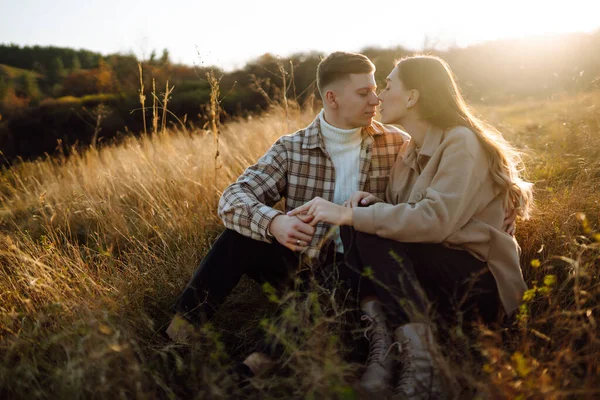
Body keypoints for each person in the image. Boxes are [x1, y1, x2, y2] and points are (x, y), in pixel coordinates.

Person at [289, 55, 532, 399]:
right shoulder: (408, 152)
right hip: (430, 279)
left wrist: (355, 216)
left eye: (387, 86)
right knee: (357, 226)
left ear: (413, 97)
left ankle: (426, 368)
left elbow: (433, 221)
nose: (379, 97)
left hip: (477, 283)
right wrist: (366, 206)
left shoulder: (460, 142)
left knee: (360, 223)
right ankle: (386, 352)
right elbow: (401, 216)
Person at [165, 51, 408, 380]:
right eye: (364, 93)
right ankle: (176, 339)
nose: (375, 100)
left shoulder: (396, 143)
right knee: (237, 238)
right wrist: (275, 223)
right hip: (299, 263)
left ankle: (252, 369)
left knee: (329, 281)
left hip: (360, 273)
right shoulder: (292, 148)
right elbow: (232, 198)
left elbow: (415, 209)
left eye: (375, 90)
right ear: (332, 98)